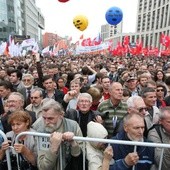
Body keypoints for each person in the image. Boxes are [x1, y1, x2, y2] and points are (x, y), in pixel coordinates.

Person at [32, 99, 83, 170]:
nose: (46, 122)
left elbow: (79, 155)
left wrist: (73, 142)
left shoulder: (73, 125)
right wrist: (53, 148)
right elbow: (43, 167)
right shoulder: (40, 130)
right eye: (44, 118)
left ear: (61, 115)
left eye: (50, 118)